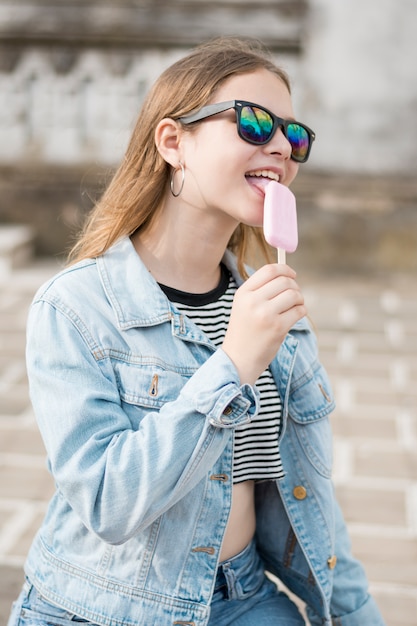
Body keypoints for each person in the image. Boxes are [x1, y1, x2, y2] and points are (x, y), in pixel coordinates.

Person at [7, 36, 386, 626]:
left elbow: (312, 505)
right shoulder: (77, 307)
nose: (282, 147)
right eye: (257, 123)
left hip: (245, 597)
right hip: (102, 606)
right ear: (173, 142)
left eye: (295, 134)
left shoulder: (272, 308)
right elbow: (109, 502)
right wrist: (232, 365)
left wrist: (358, 613)